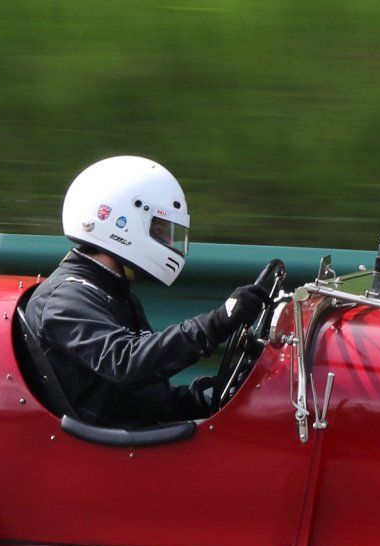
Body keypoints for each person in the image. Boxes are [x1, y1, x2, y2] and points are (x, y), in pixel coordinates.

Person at [18, 156, 270, 429]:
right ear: (120, 223)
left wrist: (197, 399)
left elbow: (137, 388)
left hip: (132, 436)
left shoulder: (111, 291)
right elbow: (125, 362)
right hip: (107, 457)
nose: (168, 241)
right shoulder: (65, 298)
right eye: (160, 229)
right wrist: (217, 323)